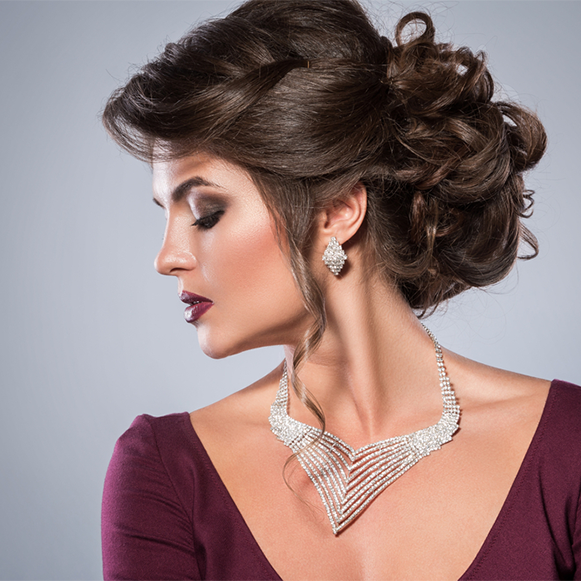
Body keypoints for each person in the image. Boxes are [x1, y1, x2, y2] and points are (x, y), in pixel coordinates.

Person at [100, 0, 581, 579]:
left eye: (207, 213)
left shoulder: (567, 446)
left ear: (336, 212)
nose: (166, 259)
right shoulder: (166, 471)